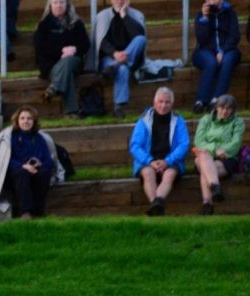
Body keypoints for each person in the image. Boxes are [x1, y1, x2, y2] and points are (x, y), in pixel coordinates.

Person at [0, 106, 64, 216]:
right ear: (17, 120)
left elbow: (48, 159)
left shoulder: (39, 138)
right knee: (22, 174)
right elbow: (5, 161)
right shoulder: (10, 137)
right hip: (16, 172)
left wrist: (39, 164)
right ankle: (26, 212)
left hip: (35, 170)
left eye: (29, 118)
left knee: (44, 172)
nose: (26, 121)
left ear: (34, 121)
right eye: (22, 118)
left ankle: (39, 212)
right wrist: (23, 166)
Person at [129, 87, 189, 216]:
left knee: (169, 175)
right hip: (148, 161)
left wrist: (168, 161)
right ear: (154, 103)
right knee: (148, 173)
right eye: (160, 101)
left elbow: (184, 145)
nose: (163, 105)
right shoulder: (143, 120)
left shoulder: (179, 121)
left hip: (171, 161)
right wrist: (149, 161)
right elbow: (135, 146)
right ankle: (156, 205)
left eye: (167, 102)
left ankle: (156, 205)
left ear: (172, 104)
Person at [34, 0, 89, 119]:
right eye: (55, 3)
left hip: (74, 62)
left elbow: (85, 44)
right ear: (50, 6)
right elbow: (40, 49)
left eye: (61, 3)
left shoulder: (77, 23)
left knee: (68, 61)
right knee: (66, 73)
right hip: (52, 66)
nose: (58, 6)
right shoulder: (43, 25)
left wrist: (74, 48)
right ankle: (71, 112)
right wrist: (62, 51)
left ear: (67, 5)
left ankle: (55, 87)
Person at [91, 0, 146, 118]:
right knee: (122, 69)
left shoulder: (137, 15)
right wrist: (114, 54)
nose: (119, 1)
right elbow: (102, 42)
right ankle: (118, 108)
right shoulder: (103, 16)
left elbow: (138, 35)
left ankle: (116, 65)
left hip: (129, 57)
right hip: (109, 59)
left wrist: (124, 15)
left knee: (141, 40)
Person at [192, 94, 244, 215]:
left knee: (206, 169)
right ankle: (215, 186)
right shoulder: (206, 119)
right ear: (216, 107)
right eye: (221, 107)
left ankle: (207, 204)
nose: (224, 111)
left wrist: (223, 151)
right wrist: (215, 150)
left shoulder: (238, 122)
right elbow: (198, 141)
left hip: (227, 158)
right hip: (205, 156)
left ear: (233, 109)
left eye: (228, 108)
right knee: (204, 158)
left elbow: (235, 144)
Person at [192, 0, 241, 115]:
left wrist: (222, 50)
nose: (213, 2)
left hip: (228, 49)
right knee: (211, 63)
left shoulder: (230, 14)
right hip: (205, 50)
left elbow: (234, 36)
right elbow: (201, 39)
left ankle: (217, 100)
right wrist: (205, 18)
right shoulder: (200, 15)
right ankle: (200, 101)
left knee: (227, 61)